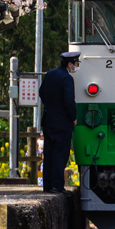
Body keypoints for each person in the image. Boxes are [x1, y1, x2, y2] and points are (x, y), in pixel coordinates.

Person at [39, 51, 79, 193]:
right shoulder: (67, 78)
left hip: (48, 120)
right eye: (76, 63)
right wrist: (73, 117)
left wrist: (50, 106)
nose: (76, 66)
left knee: (49, 154)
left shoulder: (50, 74)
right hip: (62, 123)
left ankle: (47, 185)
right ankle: (57, 186)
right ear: (69, 64)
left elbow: (41, 92)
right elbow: (69, 101)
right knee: (60, 154)